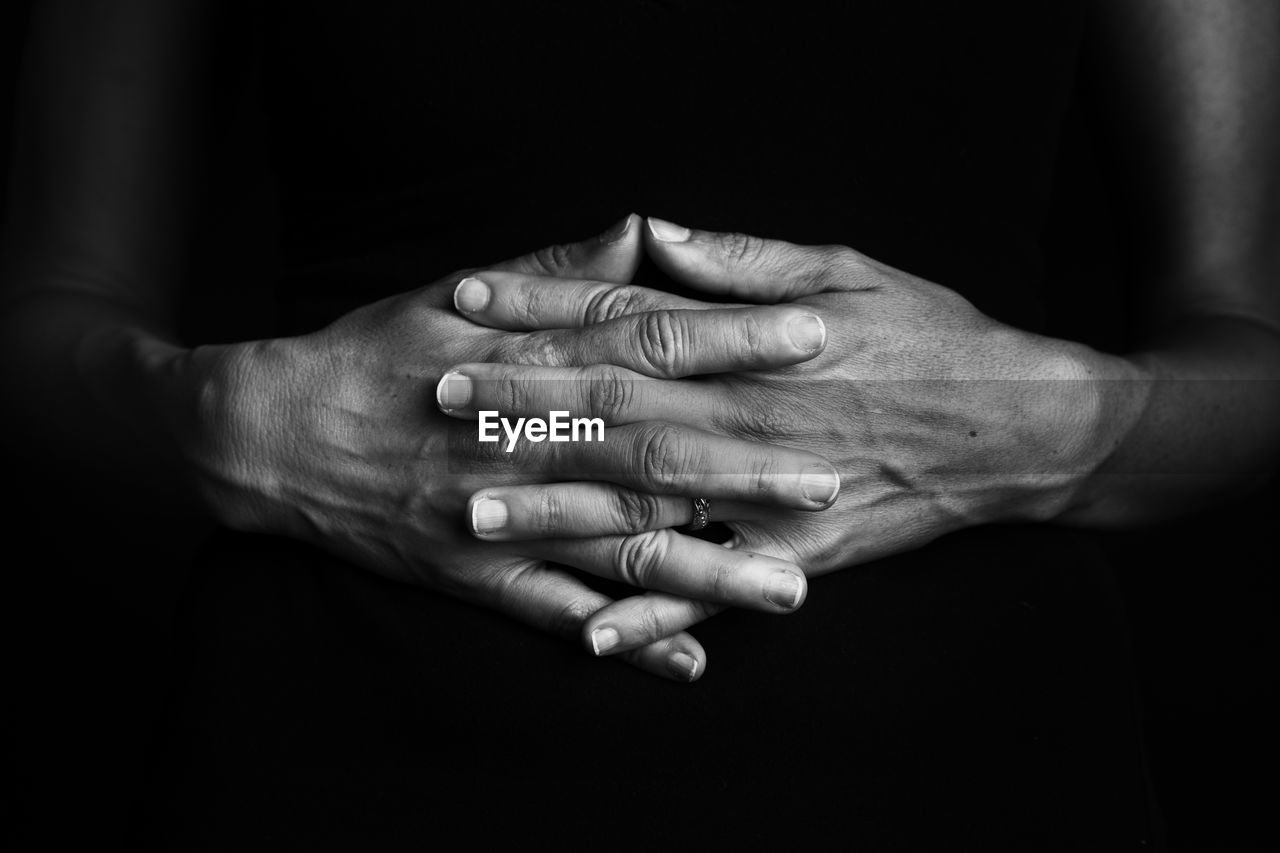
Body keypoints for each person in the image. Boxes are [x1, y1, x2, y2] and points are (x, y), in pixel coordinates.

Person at [2, 0, 1276, 847]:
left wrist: (1029, 425)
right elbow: (45, 323)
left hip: (972, 770)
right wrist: (238, 423)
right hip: (337, 753)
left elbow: (1249, 363)